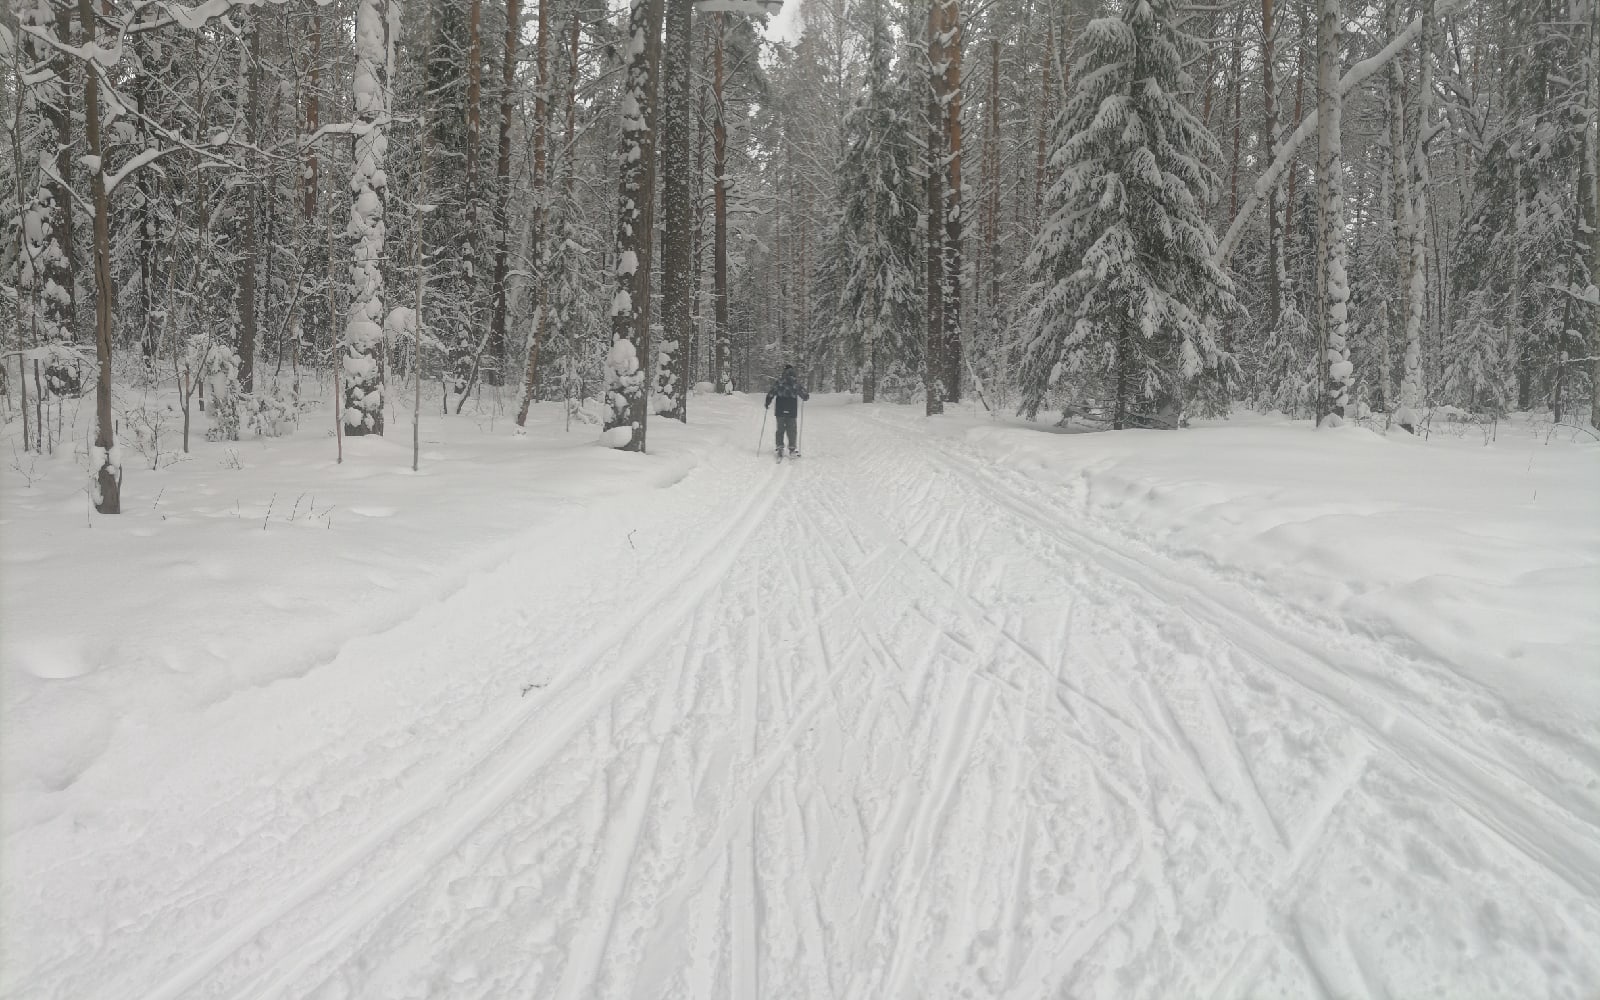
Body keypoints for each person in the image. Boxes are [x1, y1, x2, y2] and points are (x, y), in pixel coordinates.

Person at [764, 365, 810, 459]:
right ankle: (792, 449)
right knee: (791, 430)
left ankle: (780, 447)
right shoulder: (795, 383)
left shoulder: (779, 382)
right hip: (791, 410)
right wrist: (805, 397)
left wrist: (767, 402)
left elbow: (771, 392)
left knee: (780, 429)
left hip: (780, 409)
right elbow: (804, 395)